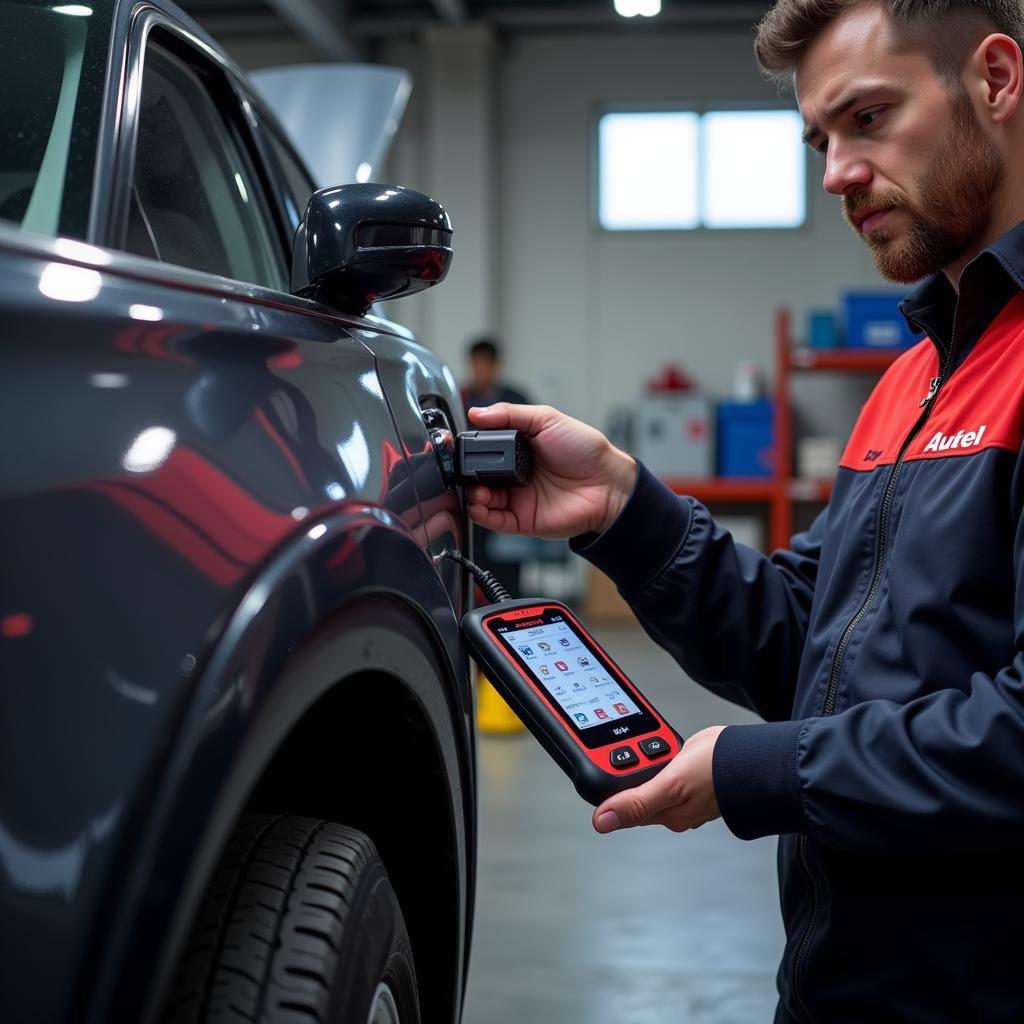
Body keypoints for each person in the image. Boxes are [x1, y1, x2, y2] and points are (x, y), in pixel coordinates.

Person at [467, 2, 1024, 1020]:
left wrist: (756, 770)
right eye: (819, 139)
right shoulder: (910, 383)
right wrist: (623, 508)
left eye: (867, 118)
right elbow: (804, 643)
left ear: (994, 80)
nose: (833, 175)